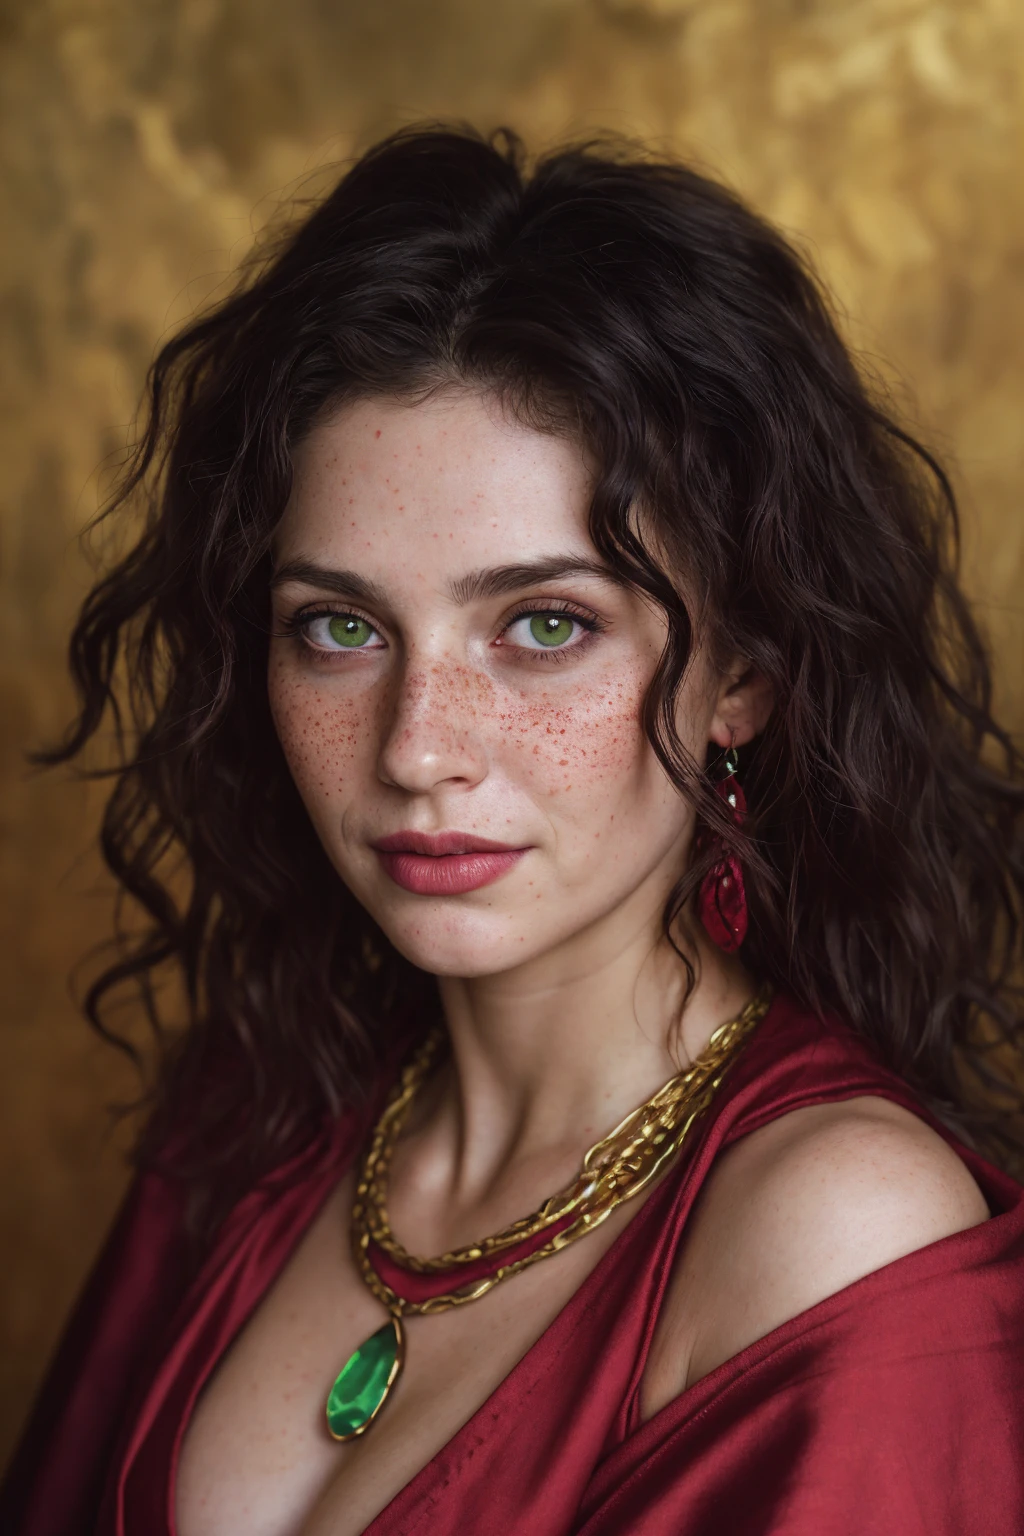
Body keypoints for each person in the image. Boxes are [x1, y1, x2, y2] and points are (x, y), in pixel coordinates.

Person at [3, 125, 1024, 1536]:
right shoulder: (246, 1116)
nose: (417, 748)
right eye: (340, 628)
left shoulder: (830, 1224)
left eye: (545, 626)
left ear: (744, 679)